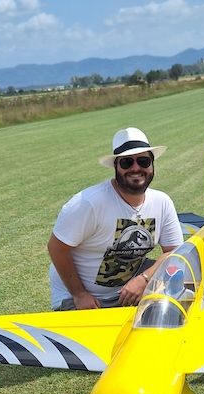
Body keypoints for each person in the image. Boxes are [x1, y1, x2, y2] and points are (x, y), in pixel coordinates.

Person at [47, 127, 184, 310]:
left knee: (179, 279)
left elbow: (174, 253)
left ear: (152, 165)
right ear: (116, 167)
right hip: (81, 297)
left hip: (130, 290)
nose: (136, 168)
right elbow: (56, 248)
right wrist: (79, 294)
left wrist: (144, 279)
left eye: (143, 161)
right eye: (127, 162)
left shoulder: (162, 201)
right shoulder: (88, 203)